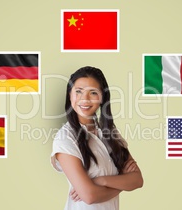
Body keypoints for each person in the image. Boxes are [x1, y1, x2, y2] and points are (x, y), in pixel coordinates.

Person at [51, 66, 143, 210]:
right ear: (70, 96)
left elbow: (137, 180)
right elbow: (89, 196)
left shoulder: (110, 133)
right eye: (78, 92)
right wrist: (121, 184)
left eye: (93, 93)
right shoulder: (65, 138)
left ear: (102, 98)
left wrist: (101, 181)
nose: (85, 99)